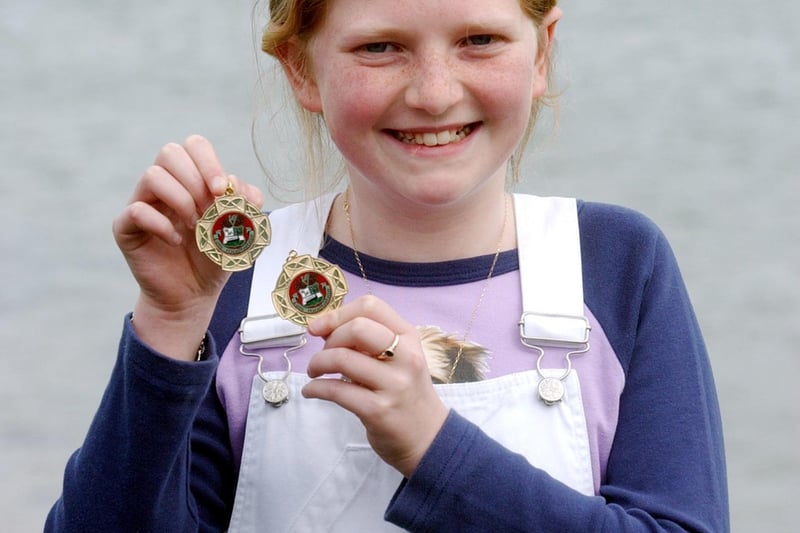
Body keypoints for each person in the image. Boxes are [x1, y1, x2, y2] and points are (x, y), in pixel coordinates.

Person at [46, 0, 729, 531]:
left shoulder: (614, 266)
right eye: (380, 47)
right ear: (301, 69)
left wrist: (436, 450)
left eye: (479, 40)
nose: (434, 93)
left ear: (542, 50)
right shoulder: (235, 284)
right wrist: (168, 324)